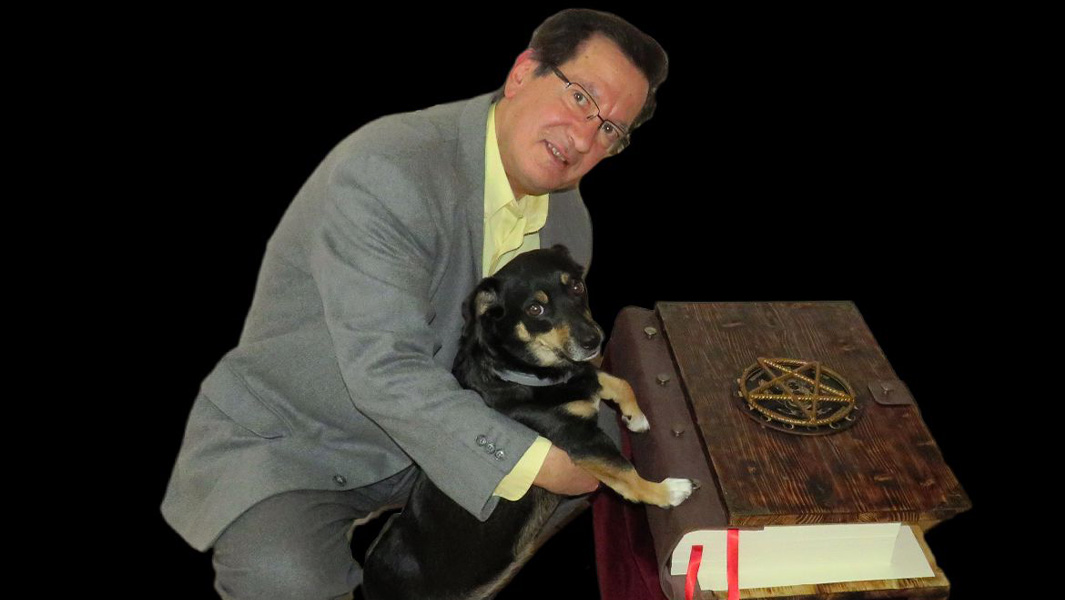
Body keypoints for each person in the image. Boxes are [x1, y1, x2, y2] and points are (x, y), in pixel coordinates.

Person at [161, 9, 667, 599]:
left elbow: (540, 361)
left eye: (611, 129)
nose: (585, 137)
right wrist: (537, 461)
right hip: (301, 438)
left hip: (448, 431)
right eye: (581, 97)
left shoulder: (568, 220)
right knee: (287, 582)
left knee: (618, 450)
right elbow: (385, 371)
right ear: (523, 74)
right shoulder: (387, 169)